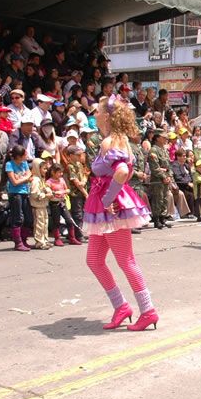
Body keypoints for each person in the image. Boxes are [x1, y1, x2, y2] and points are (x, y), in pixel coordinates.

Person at [83, 96, 158, 331]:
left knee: (126, 260)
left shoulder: (111, 142)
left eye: (97, 111)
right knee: (94, 260)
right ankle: (121, 306)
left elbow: (123, 171)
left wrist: (108, 199)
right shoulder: (116, 140)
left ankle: (148, 310)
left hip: (111, 208)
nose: (95, 114)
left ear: (107, 116)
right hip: (104, 208)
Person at [5, 144, 33, 251]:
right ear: (18, 156)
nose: (26, 157)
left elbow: (29, 174)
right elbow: (14, 182)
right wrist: (25, 178)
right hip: (15, 193)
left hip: (25, 192)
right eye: (24, 155)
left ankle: (24, 239)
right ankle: (18, 242)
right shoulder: (9, 165)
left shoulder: (24, 163)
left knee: (28, 217)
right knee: (17, 218)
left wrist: (23, 178)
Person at [147, 129, 172, 229]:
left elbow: (168, 166)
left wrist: (169, 176)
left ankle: (162, 218)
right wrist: (164, 176)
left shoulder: (164, 150)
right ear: (157, 138)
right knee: (158, 199)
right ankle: (156, 220)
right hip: (157, 180)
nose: (166, 139)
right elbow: (155, 167)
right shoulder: (154, 150)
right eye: (163, 137)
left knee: (165, 199)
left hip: (165, 179)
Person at [29, 158, 54, 250]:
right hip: (37, 206)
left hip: (43, 205)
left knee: (45, 223)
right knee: (39, 224)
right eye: (44, 169)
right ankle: (39, 242)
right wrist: (45, 195)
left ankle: (45, 240)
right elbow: (34, 194)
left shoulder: (41, 179)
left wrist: (49, 191)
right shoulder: (35, 180)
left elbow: (44, 188)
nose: (46, 171)